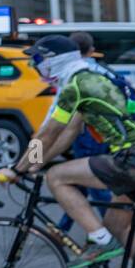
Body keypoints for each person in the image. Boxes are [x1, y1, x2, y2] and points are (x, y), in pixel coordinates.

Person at [2, 36, 135, 268]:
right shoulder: (90, 79)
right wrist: (36, 162)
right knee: (119, 226)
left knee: (57, 177)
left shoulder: (76, 86)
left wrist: (17, 168)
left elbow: (48, 134)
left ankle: (100, 241)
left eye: (38, 60)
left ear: (54, 61)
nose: (36, 66)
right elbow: (68, 134)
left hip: (134, 157)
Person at [54, 32, 112, 233]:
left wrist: (31, 161)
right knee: (82, 181)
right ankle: (62, 229)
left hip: (86, 135)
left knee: (92, 182)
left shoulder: (73, 78)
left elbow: (51, 126)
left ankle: (109, 230)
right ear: (92, 50)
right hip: (105, 135)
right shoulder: (101, 70)